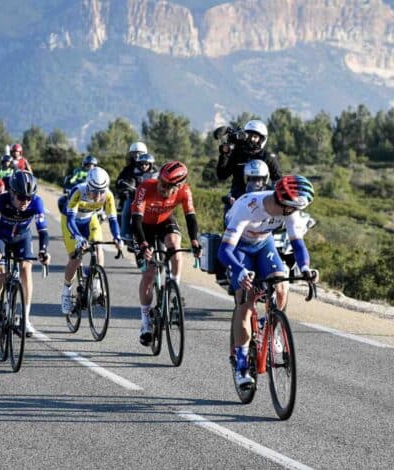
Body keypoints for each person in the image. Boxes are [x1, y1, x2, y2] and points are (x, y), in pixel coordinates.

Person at [218, 175, 319, 386]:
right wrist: (239, 271)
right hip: (239, 249)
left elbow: (298, 245)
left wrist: (306, 268)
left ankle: (269, 325)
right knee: (246, 301)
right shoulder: (248, 207)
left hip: (264, 244)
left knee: (281, 286)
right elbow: (224, 250)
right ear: (283, 203)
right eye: (293, 208)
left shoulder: (289, 210)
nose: (294, 213)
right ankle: (242, 364)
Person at [131, 161, 202, 345]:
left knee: (175, 247)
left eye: (166, 185)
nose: (161, 187)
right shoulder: (146, 187)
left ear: (178, 186)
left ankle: (174, 289)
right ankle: (146, 321)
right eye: (161, 182)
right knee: (149, 273)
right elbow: (136, 221)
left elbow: (190, 217)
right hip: (143, 227)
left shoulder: (184, 191)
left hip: (164, 222)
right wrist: (144, 245)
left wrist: (195, 241)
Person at [0, 171, 50, 337]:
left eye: (29, 197)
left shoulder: (36, 203)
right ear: (12, 192)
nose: (25, 202)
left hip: (22, 237)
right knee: (0, 271)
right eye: (21, 197)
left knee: (26, 269)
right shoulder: (1, 201)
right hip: (2, 237)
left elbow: (43, 231)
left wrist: (43, 250)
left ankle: (26, 318)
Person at [60, 167, 123, 314]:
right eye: (94, 191)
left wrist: (117, 237)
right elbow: (70, 220)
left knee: (98, 249)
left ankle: (97, 285)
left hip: (90, 220)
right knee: (76, 259)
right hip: (72, 222)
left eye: (101, 192)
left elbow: (113, 220)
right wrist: (78, 237)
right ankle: (66, 292)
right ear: (88, 186)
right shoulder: (78, 191)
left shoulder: (108, 196)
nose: (98, 195)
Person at [215, 120, 282, 209]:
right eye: (249, 136)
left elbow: (278, 180)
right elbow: (222, 175)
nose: (251, 139)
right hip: (236, 200)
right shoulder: (238, 154)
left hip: (261, 201)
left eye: (255, 136)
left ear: (262, 139)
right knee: (228, 218)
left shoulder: (268, 157)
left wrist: (273, 197)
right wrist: (224, 154)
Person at [115, 142, 148, 242]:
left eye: (139, 153)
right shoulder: (129, 168)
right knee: (126, 208)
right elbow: (120, 180)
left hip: (150, 196)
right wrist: (123, 185)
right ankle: (125, 233)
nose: (137, 156)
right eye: (134, 153)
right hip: (134, 196)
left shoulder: (151, 167)